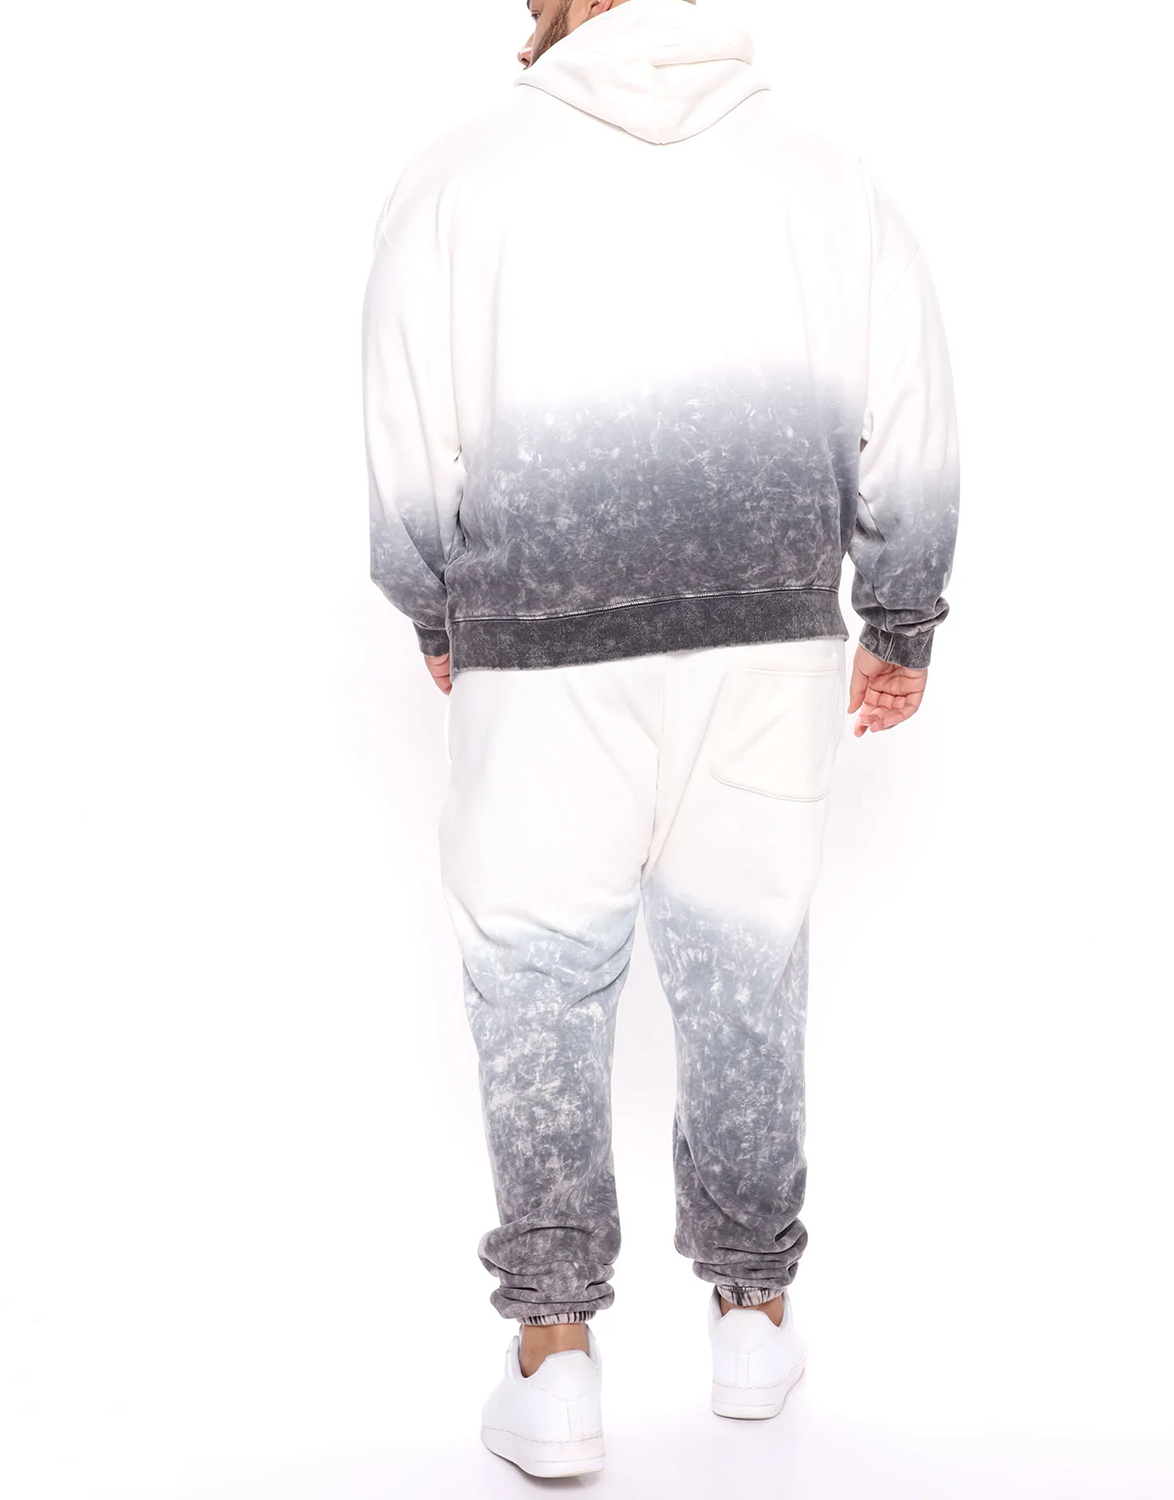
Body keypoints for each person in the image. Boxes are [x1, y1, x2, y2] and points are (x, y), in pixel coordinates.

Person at [361, 0, 958, 1478]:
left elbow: (403, 428)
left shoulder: (457, 180)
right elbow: (910, 405)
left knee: (537, 991)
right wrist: (900, 618)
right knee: (746, 975)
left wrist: (435, 607)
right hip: (765, 651)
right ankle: (754, 1320)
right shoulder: (827, 177)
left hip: (542, 659)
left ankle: (555, 1355)